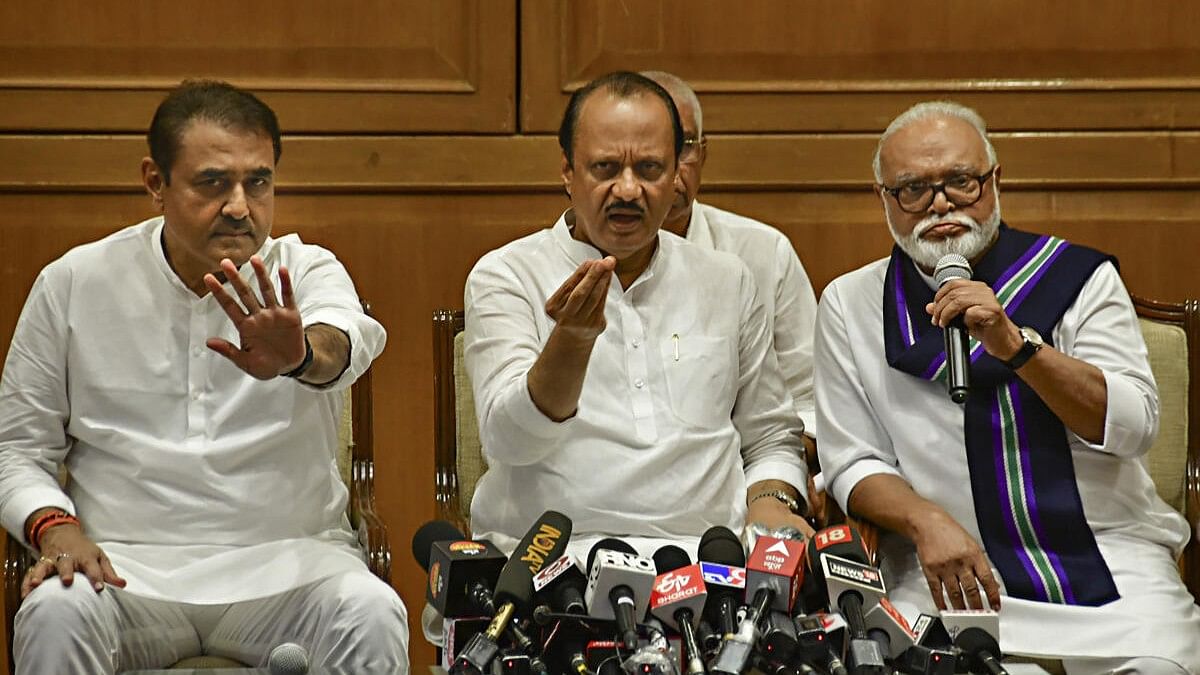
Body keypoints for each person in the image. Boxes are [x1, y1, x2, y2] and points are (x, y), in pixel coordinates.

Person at [0, 80, 409, 673]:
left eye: (258, 181)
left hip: (291, 570)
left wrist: (298, 356)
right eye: (213, 182)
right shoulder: (73, 283)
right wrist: (55, 528)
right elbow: (16, 448)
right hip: (123, 572)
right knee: (53, 611)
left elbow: (347, 340)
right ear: (154, 182)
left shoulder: (305, 270)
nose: (240, 206)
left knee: (372, 609)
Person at [814, 100, 1200, 671]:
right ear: (884, 200)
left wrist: (1017, 347)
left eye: (961, 182)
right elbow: (851, 460)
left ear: (996, 181)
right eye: (913, 188)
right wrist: (928, 522)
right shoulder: (849, 303)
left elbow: (1132, 427)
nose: (940, 204)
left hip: (1108, 557)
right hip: (944, 565)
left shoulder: (1081, 278)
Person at [464, 71, 811, 559]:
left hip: (710, 561)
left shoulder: (727, 278)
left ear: (677, 175)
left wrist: (770, 501)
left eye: (649, 169)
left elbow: (771, 435)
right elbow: (509, 442)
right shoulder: (506, 275)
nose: (627, 190)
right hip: (551, 561)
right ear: (567, 171)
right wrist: (572, 341)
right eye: (605, 168)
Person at [640, 71, 819, 466]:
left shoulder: (762, 253)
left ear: (702, 154)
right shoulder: (550, 270)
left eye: (681, 146)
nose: (665, 168)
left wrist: (779, 472)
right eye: (645, 154)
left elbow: (809, 400)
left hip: (746, 481)